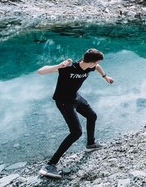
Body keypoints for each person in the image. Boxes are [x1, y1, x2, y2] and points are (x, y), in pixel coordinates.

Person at [37, 48, 114, 179]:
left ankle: (91, 144)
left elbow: (98, 66)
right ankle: (50, 165)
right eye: (96, 62)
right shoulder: (68, 67)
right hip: (63, 102)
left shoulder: (90, 67)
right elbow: (40, 71)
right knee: (76, 133)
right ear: (91, 62)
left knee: (92, 115)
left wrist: (105, 77)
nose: (96, 65)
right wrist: (58, 65)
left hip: (75, 98)